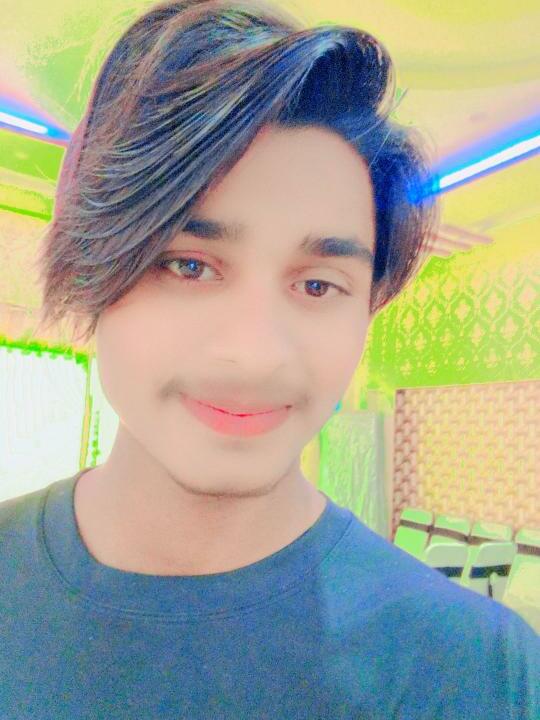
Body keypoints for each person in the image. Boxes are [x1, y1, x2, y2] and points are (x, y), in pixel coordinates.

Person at [1, 0, 538, 717]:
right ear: (92, 262)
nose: (255, 355)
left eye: (318, 286)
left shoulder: (476, 667)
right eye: (189, 266)